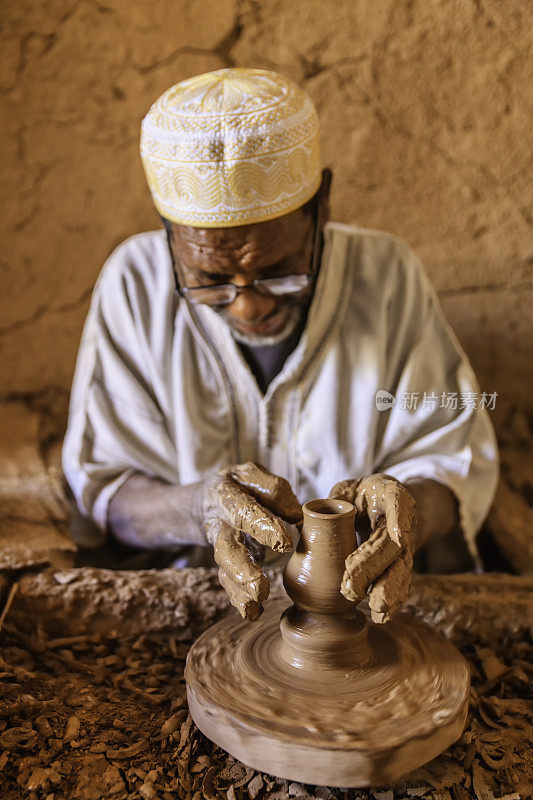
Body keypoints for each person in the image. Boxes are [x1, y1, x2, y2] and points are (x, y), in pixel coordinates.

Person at [62, 68, 498, 622]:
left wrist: (410, 508)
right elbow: (105, 490)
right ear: (171, 236)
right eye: (210, 279)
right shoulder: (133, 284)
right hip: (192, 612)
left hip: (358, 611)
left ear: (324, 208)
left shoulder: (386, 275)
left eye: (281, 272)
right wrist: (198, 508)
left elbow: (451, 457)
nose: (248, 306)